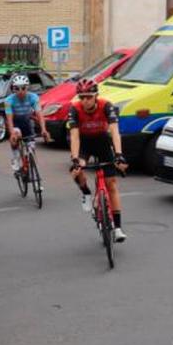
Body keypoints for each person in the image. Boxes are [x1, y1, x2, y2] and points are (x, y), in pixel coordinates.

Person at [67, 78, 128, 242]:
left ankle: (117, 228)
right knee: (76, 170)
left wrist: (119, 154)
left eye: (88, 97)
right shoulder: (74, 108)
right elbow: (74, 136)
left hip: (102, 141)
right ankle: (86, 193)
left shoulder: (106, 105)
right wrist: (75, 159)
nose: (85, 101)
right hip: (84, 142)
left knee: (111, 183)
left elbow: (115, 131)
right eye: (82, 97)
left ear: (96, 96)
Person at [2, 75, 50, 182]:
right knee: (16, 134)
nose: (20, 91)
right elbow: (9, 119)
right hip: (15, 123)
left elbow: (39, 114)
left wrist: (43, 129)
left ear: (27, 88)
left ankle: (30, 168)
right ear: (13, 89)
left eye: (23, 88)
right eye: (17, 88)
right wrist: (12, 134)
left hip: (27, 123)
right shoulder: (9, 100)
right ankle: (15, 158)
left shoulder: (33, 97)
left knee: (31, 147)